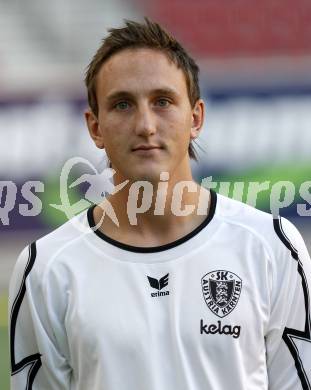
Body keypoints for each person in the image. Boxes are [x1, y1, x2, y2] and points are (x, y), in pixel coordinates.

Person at [9, 18, 311, 390]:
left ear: (196, 117)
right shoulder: (47, 268)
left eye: (163, 101)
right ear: (95, 127)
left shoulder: (272, 247)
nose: (146, 124)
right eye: (122, 104)